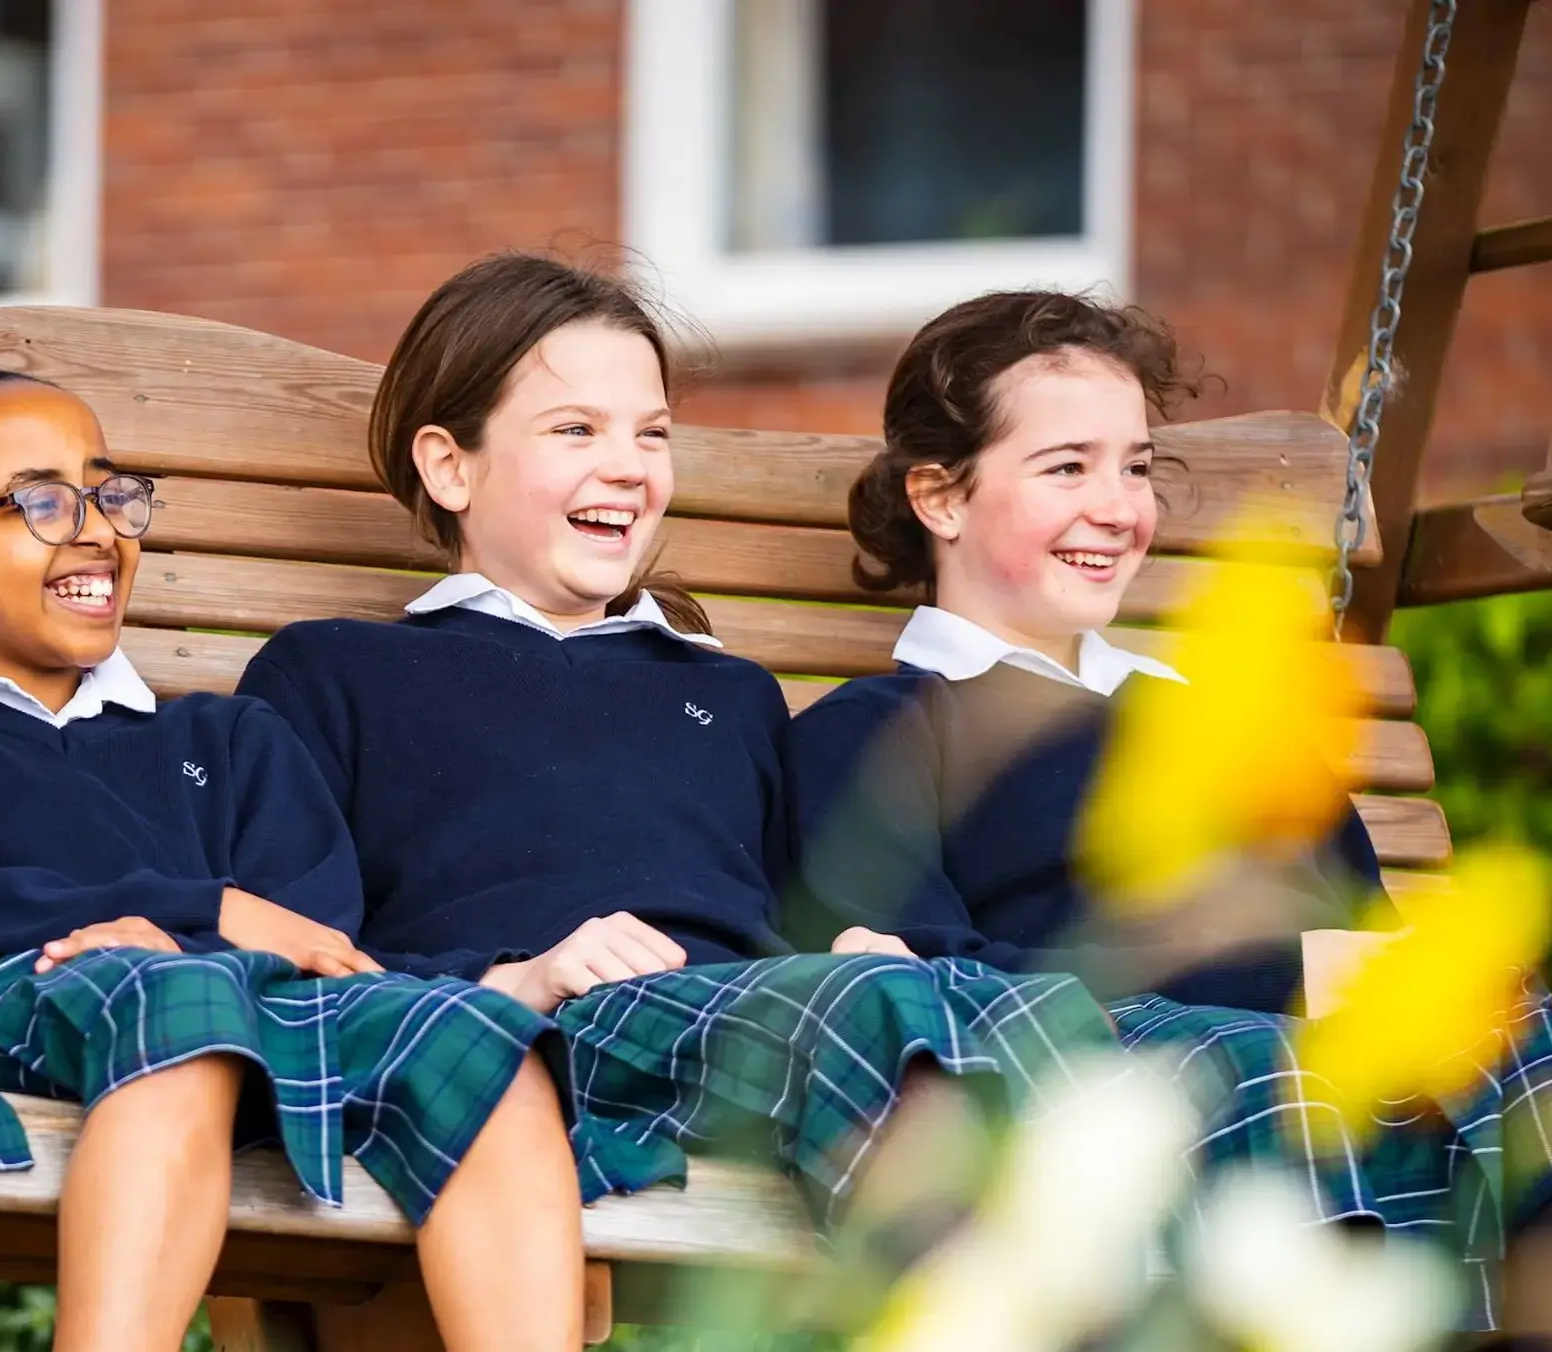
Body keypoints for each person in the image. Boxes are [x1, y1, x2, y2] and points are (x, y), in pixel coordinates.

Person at [783, 288, 1552, 1352]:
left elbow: (1362, 939)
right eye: (1066, 466)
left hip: (1366, 1097)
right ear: (939, 494)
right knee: (1290, 1074)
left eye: (1134, 467)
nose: (1116, 506)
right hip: (1137, 1091)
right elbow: (918, 993)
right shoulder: (882, 732)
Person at [238, 251, 1114, 1220]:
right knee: (897, 1019)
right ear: (450, 464)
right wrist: (514, 979)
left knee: (1030, 1017)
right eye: (575, 429)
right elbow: (302, 953)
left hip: (751, 1032)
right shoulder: (336, 672)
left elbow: (799, 905)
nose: (627, 464)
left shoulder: (725, 691)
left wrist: (862, 940)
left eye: (651, 432)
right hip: (557, 1037)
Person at [0, 369, 588, 1352]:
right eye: (41, 501)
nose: (96, 528)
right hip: (6, 1019)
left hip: (243, 1027)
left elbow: (311, 936)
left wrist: (195, 928)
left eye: (110, 493)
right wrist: (194, 910)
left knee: (480, 1032)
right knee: (179, 997)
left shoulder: (226, 738)